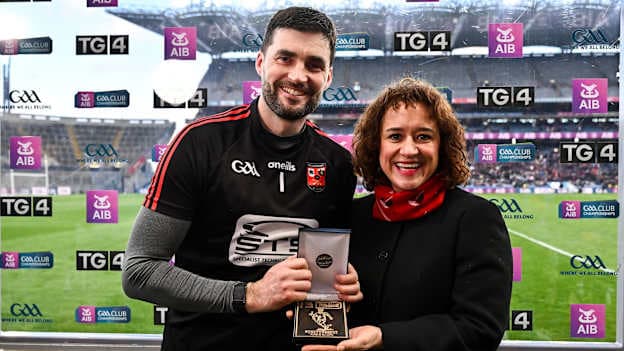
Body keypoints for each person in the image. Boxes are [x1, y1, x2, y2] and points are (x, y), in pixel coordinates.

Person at [122, 7, 361, 350]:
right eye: (285, 58)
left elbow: (324, 272)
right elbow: (140, 271)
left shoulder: (337, 163)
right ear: (261, 62)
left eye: (313, 64)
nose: (298, 75)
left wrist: (342, 283)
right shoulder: (200, 142)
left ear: (328, 76)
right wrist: (249, 295)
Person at [303, 78, 512, 351]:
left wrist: (383, 337)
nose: (409, 150)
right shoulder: (351, 216)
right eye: (395, 136)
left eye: (423, 136)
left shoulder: (475, 218)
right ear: (377, 145)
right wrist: (312, 307)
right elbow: (329, 305)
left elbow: (480, 328)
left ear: (442, 145)